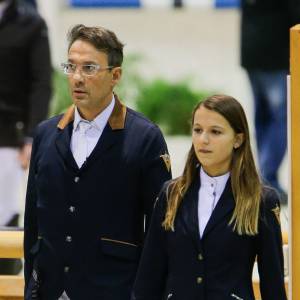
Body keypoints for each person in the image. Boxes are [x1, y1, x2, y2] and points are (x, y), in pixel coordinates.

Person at [24, 24, 171, 300]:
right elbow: (33, 220)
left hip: (115, 289)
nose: (77, 78)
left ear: (115, 75)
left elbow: (159, 230)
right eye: (71, 67)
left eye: (89, 68)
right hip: (49, 289)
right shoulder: (46, 134)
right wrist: (31, 289)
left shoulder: (144, 137)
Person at [132, 95, 287, 300]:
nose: (203, 140)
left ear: (238, 139)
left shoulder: (261, 201)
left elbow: (272, 285)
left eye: (215, 132)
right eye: (198, 130)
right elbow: (149, 276)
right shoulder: (171, 194)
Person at [0, 0, 51, 274]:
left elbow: (42, 83)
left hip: (8, 135)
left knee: (3, 213)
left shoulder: (31, 23)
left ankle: (5, 277)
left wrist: (32, 136)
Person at [240, 0, 300, 203]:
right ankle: (268, 177)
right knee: (279, 118)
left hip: (250, 49)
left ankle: (263, 175)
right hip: (275, 53)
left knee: (262, 115)